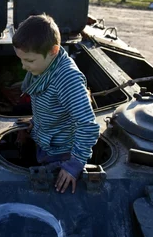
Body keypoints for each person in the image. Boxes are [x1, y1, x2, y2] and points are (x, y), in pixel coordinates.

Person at [13, 14, 100, 194]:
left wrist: (73, 165)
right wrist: (36, 122)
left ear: (53, 51)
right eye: (21, 59)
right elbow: (52, 105)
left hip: (63, 153)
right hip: (46, 140)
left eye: (29, 60)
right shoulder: (44, 65)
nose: (23, 66)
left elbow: (88, 126)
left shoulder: (67, 79)